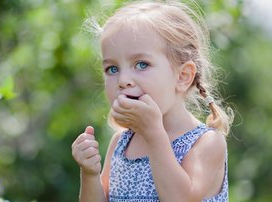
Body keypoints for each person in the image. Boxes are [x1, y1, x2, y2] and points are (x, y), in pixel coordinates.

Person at [71, 1, 234, 201]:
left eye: (141, 64)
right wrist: (89, 174)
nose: (123, 81)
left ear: (183, 76)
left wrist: (154, 133)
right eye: (112, 69)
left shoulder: (206, 143)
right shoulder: (121, 143)